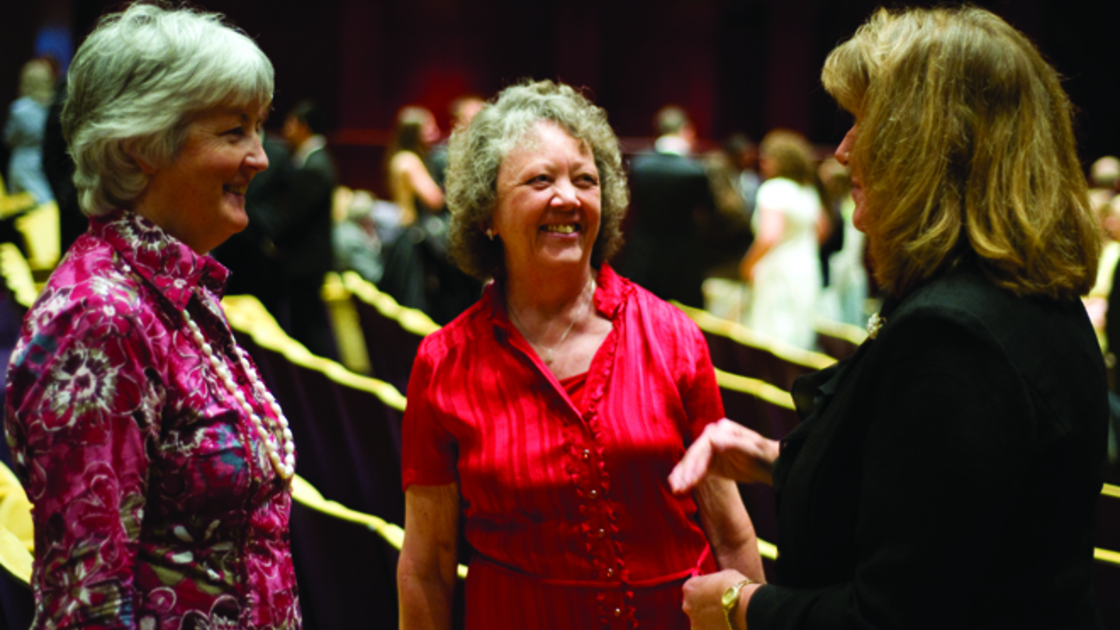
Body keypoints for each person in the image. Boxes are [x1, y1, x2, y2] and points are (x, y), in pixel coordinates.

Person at [672, 6, 1108, 630]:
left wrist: (735, 604)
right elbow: (945, 504)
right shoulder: (1020, 297)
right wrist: (778, 459)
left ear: (935, 147)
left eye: (864, 122)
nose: (844, 150)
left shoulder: (957, 336)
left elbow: (890, 615)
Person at [397, 79, 760, 629]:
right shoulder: (444, 363)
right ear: (487, 214)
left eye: (585, 180)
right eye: (540, 180)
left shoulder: (672, 337)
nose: (567, 197)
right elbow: (428, 566)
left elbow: (730, 533)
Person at [3, 4, 301, 628]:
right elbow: (87, 604)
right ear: (140, 147)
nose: (261, 157)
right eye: (233, 132)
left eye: (258, 128)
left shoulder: (173, 291)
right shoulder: (99, 317)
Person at [623, 105, 716, 308]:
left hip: (643, 256)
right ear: (687, 131)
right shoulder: (695, 171)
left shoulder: (638, 166)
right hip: (683, 262)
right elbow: (709, 212)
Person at [739, 129, 824, 350]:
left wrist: (748, 265)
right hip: (806, 270)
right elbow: (822, 229)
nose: (763, 162)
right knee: (797, 339)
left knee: (772, 341)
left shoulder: (773, 189)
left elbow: (769, 235)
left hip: (777, 274)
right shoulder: (806, 191)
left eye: (767, 157)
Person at [275, 99, 337, 357]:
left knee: (308, 330)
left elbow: (298, 217)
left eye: (290, 123)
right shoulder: (313, 160)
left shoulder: (314, 165)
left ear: (304, 127)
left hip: (307, 260)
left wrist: (275, 242)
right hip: (309, 258)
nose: (285, 130)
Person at [4, 58, 55, 205]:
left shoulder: (19, 109)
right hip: (46, 160)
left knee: (23, 206)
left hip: (22, 162)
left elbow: (9, 139)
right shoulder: (52, 108)